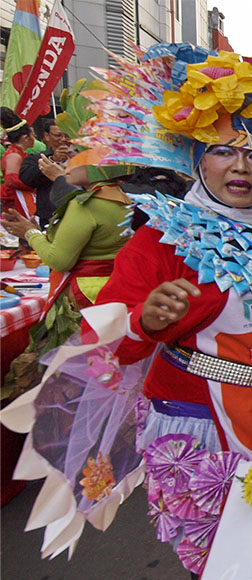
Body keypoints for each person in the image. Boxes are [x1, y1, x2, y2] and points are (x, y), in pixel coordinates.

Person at [1, 45, 252, 573]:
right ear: (195, 156)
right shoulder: (162, 239)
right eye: (222, 150)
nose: (241, 165)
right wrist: (147, 320)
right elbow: (116, 341)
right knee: (226, 571)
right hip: (204, 424)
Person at [1, 156, 133, 399]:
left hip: (80, 298)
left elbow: (60, 260)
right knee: (104, 372)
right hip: (108, 292)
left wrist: (29, 233)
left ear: (98, 168)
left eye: (79, 159)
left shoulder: (86, 205)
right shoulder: (121, 199)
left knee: (71, 380)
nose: (68, 165)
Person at [18, 117, 71, 228]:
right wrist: (53, 160)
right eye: (58, 135)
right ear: (46, 136)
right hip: (49, 216)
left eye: (66, 135)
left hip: (76, 213)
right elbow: (27, 179)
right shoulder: (36, 158)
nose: (63, 139)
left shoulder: (81, 157)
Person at [1, 107, 37, 235]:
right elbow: (11, 180)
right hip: (17, 199)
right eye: (33, 135)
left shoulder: (17, 153)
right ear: (26, 137)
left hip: (21, 196)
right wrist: (33, 184)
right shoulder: (14, 155)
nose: (35, 138)